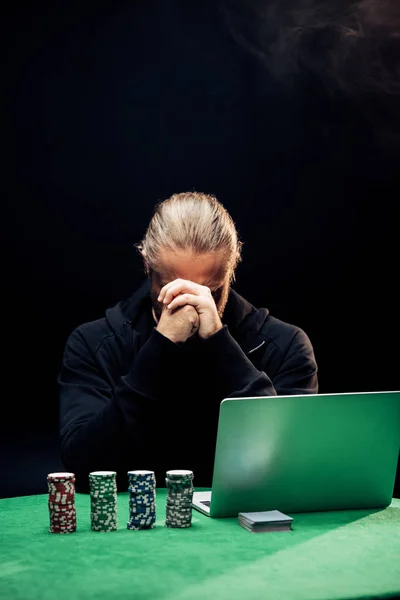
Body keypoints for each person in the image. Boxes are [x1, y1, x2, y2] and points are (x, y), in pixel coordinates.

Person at [58, 191, 318, 491]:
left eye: (211, 290)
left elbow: (287, 464)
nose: (191, 304)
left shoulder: (284, 345)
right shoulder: (93, 343)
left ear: (232, 267)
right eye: (171, 289)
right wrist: (161, 346)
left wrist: (220, 343)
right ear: (147, 265)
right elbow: (84, 464)